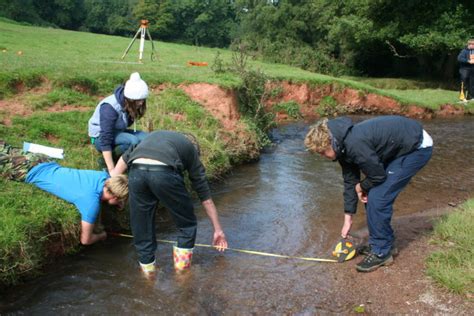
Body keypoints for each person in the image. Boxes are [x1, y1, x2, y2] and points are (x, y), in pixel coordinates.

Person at [304, 116, 433, 272]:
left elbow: (378, 176)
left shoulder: (354, 143)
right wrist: (348, 218)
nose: (323, 156)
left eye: (323, 152)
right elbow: (350, 181)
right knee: (370, 192)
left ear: (330, 142)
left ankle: (381, 252)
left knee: (378, 198)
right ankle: (384, 243)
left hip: (416, 148)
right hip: (398, 147)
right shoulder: (342, 146)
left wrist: (362, 187)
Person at [110, 130, 228, 276]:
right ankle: (182, 274)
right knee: (187, 225)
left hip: (136, 171)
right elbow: (206, 198)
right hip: (163, 172)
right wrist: (218, 230)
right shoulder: (191, 151)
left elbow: (121, 163)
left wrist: (115, 189)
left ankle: (148, 276)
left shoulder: (153, 137)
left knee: (142, 227)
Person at [0, 140, 129, 245]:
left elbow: (111, 186)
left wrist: (117, 200)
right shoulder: (90, 203)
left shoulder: (102, 176)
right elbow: (85, 240)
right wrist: (101, 235)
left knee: (5, 149)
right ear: (115, 196)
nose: (122, 201)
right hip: (27, 171)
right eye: (121, 199)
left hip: (42, 160)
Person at [88, 72, 149, 173]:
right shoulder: (109, 108)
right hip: (99, 137)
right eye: (138, 100)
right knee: (133, 141)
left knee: (147, 138)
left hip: (118, 131)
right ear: (129, 99)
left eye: (143, 100)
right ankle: (107, 161)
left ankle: (130, 161)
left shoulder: (129, 103)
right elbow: (105, 138)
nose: (141, 103)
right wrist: (112, 170)